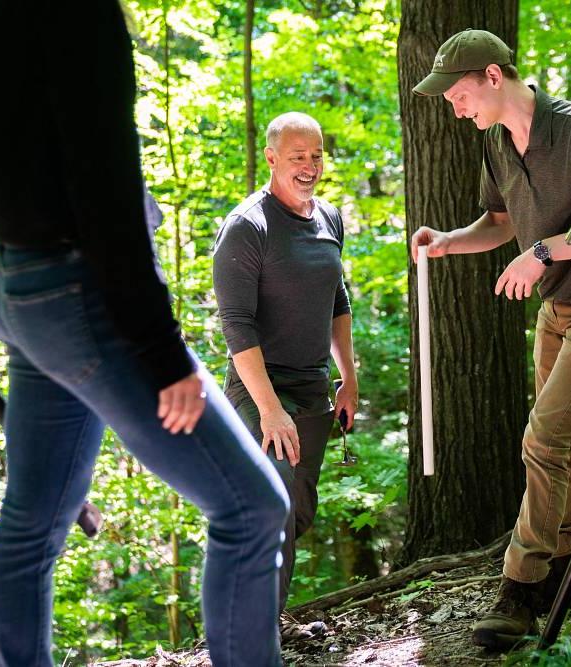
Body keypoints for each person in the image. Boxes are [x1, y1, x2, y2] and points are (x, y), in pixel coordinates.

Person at [0, 2, 288, 665]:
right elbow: (103, 182)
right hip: (80, 295)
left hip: (20, 282)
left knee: (32, 524)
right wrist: (163, 351)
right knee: (253, 510)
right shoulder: (77, 13)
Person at [410, 29, 571, 649]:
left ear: (494, 77)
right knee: (564, 449)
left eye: (458, 95)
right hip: (558, 310)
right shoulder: (495, 143)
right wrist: (446, 241)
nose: (454, 109)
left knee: (543, 438)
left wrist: (543, 252)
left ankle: (518, 587)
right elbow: (496, 225)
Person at [212, 112, 358, 640]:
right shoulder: (248, 226)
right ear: (272, 157)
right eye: (298, 156)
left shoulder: (330, 219)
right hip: (260, 388)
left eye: (316, 155)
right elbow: (236, 324)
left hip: (313, 384)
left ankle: (257, 620)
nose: (310, 166)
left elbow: (337, 299)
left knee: (297, 511)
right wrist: (271, 409)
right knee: (271, 507)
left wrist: (349, 378)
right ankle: (252, 634)